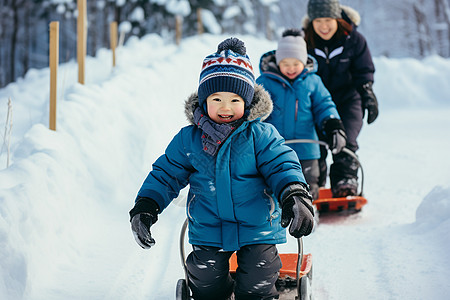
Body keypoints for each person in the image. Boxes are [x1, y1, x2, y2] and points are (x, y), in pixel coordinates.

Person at [129, 37, 315, 300]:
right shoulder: (189, 139)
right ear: (204, 101)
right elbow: (166, 174)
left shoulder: (261, 135)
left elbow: (281, 164)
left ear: (248, 102)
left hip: (257, 225)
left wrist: (294, 193)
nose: (225, 108)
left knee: (259, 274)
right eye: (216, 98)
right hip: (209, 226)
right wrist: (146, 205)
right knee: (205, 278)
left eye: (235, 99)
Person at [256, 28, 347, 200]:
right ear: (278, 61)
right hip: (275, 147)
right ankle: (277, 208)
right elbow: (256, 106)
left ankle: (309, 208)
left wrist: (332, 124)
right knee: (275, 179)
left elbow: (324, 105)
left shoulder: (313, 81)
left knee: (309, 181)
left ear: (304, 62)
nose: (291, 69)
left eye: (296, 64)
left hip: (307, 149)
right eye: (286, 64)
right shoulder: (265, 82)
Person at [303, 0, 379, 197]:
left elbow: (364, 71)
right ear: (311, 22)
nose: (323, 26)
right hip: (315, 103)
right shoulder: (304, 42)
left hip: (348, 99)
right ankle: (313, 184)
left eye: (328, 19)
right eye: (318, 20)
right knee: (314, 143)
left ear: (337, 18)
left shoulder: (354, 40)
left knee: (345, 139)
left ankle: (345, 181)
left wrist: (367, 94)